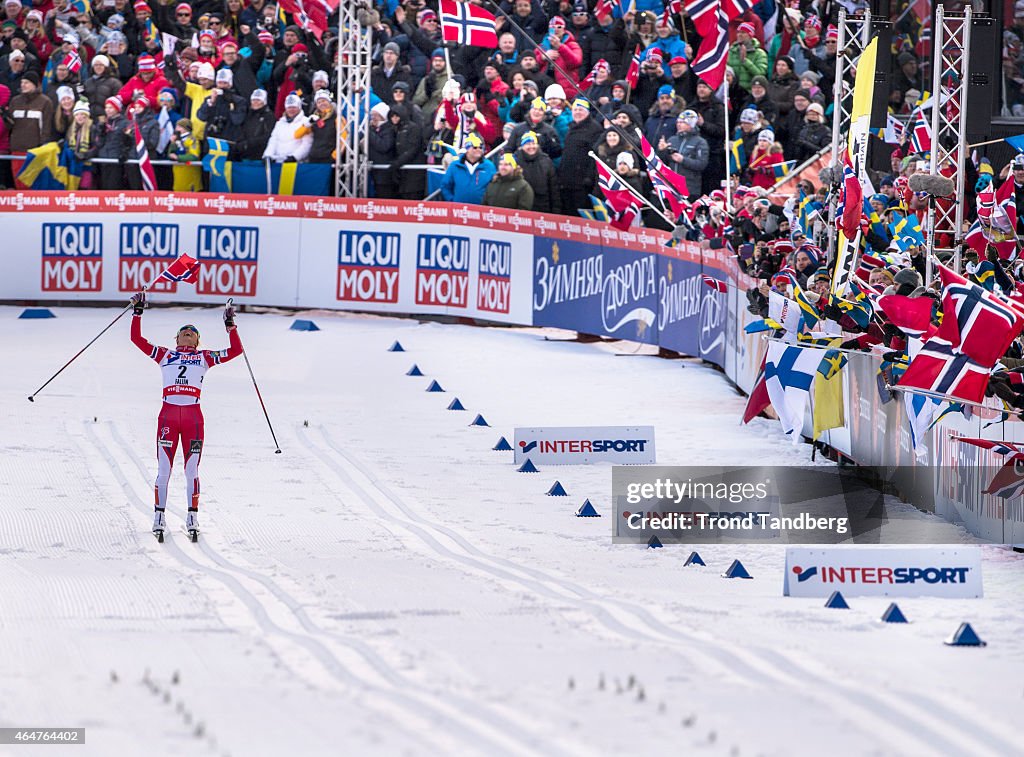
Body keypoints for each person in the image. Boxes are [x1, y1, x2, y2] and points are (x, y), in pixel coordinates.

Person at [128, 293, 243, 540]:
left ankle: (193, 517)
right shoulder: (165, 355)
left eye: (193, 331)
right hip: (168, 416)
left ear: (197, 341)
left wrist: (230, 326)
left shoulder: (204, 357)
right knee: (164, 470)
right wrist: (137, 312)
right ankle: (159, 516)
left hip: (193, 417)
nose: (188, 332)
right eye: (184, 330)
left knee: (192, 469)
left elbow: (236, 350)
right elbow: (136, 339)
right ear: (177, 338)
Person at [440, 132, 496, 204]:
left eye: (481, 147)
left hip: (481, 210)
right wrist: (452, 200)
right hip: (459, 209)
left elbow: (494, 187)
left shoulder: (489, 166)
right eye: (475, 147)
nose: (478, 149)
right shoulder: (455, 165)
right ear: (467, 149)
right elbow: (445, 185)